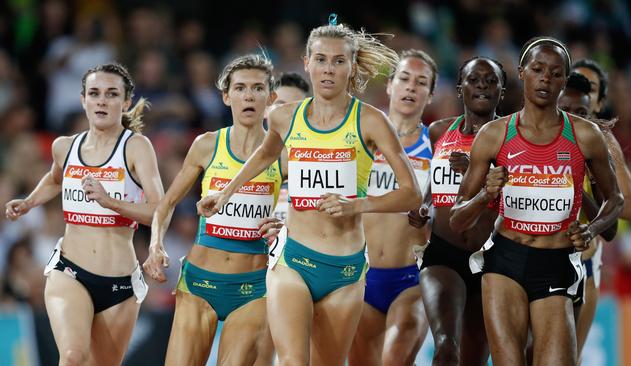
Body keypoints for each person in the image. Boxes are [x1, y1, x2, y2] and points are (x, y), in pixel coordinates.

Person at [197, 20, 421, 365]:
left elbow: (411, 194)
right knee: (292, 361)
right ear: (306, 62)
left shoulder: (371, 121)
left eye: (338, 61)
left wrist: (356, 205)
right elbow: (266, 155)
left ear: (351, 65)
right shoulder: (286, 118)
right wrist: (226, 193)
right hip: (293, 262)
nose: (328, 69)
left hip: (345, 270)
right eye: (320, 60)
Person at [449, 37, 624, 366]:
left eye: (556, 73)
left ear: (563, 80)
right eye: (538, 69)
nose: (546, 78)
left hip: (555, 264)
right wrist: (487, 193)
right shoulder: (495, 135)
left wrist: (591, 229)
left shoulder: (585, 135)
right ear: (522, 72)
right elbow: (458, 219)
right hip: (505, 261)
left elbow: (616, 199)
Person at [5, 63, 164, 365]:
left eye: (111, 94)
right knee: (73, 357)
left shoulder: (136, 148)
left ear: (126, 102)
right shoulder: (65, 147)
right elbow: (54, 179)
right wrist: (29, 202)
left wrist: (111, 203)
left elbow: (160, 208)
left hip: (120, 283)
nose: (102, 101)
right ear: (83, 100)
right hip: (70, 272)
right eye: (94, 93)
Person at [143, 54, 282, 365]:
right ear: (226, 95)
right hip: (199, 284)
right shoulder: (207, 145)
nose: (249, 96)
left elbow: (303, 210)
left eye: (258, 88)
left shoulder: (282, 155)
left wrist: (285, 226)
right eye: (240, 88)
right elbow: (166, 205)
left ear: (271, 97)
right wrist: (155, 246)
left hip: (254, 288)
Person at [407, 56, 507, 365]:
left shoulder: (510, 137)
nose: (482, 86)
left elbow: (517, 192)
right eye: (474, 79)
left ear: (501, 92)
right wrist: (425, 204)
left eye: (491, 81)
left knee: (473, 360)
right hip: (444, 256)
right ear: (460, 86)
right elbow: (433, 183)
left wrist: (476, 171)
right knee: (446, 349)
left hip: (491, 260)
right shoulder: (439, 131)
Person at [348, 49, 436, 366]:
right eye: (404, 78)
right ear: (390, 86)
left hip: (413, 278)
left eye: (421, 82)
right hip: (360, 276)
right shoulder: (360, 142)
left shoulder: (436, 148)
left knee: (395, 358)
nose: (411, 87)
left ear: (430, 94)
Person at [568, 60, 631, 358]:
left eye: (591, 90)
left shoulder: (604, 142)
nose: (581, 93)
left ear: (597, 102)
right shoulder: (540, 132)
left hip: (585, 265)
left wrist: (594, 208)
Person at [270, 72, 310, 222]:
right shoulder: (245, 165)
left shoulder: (322, 164)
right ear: (267, 110)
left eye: (296, 107)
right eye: (280, 105)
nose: (287, 113)